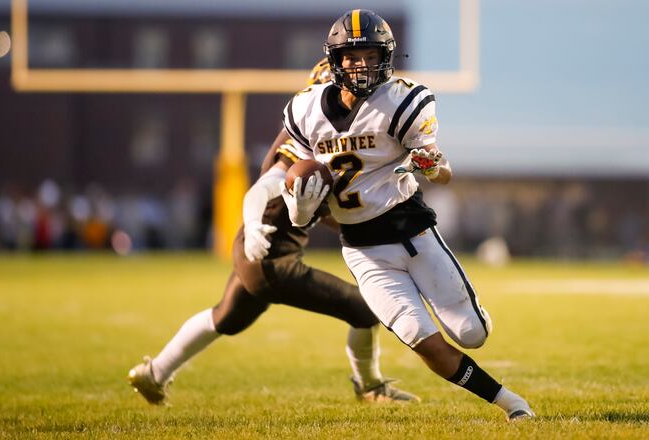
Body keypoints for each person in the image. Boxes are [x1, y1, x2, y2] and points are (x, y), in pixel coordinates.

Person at [275, 9, 534, 421]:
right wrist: (300, 203)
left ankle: (470, 309)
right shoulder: (305, 111)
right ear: (336, 60)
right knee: (421, 340)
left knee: (473, 334)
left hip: (412, 232)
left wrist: (433, 167)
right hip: (364, 252)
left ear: (386, 57)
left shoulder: (403, 100)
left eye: (371, 56)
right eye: (353, 56)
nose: (362, 65)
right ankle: (510, 403)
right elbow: (299, 195)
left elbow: (443, 174)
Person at [127, 59, 418, 405]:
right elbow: (261, 190)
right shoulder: (306, 141)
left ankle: (154, 374)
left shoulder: (333, 139)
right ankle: (370, 387)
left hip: (264, 252)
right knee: (365, 309)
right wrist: (252, 227)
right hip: (269, 254)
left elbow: (332, 210)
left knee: (225, 318)